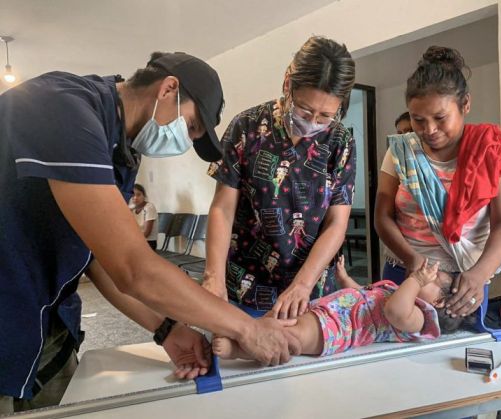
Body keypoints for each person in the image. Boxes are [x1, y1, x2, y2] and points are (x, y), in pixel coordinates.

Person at [0, 52, 299, 413]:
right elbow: (133, 267)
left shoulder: (122, 150)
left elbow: (101, 260)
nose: (184, 142)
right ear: (168, 88)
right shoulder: (63, 107)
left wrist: (167, 329)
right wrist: (247, 330)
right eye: (190, 127)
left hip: (47, 314)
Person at [202, 36, 357, 320]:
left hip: (312, 289)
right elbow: (222, 209)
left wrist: (303, 284)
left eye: (325, 116)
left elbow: (336, 223)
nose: (312, 122)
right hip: (246, 283)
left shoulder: (340, 141)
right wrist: (214, 278)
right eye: (305, 110)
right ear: (288, 82)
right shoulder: (246, 127)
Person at [374, 46, 501, 320]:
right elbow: (382, 216)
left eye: (440, 118)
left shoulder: (493, 149)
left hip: (467, 283)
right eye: (418, 120)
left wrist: (479, 275)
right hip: (405, 272)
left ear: (465, 104)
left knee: (458, 358)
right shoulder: (401, 152)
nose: (429, 130)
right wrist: (415, 263)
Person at [213, 257, 476, 360]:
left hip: (338, 330)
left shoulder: (420, 317)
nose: (423, 275)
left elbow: (393, 312)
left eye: (432, 279)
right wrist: (345, 279)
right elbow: (367, 293)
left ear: (439, 301)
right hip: (327, 310)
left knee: (292, 336)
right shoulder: (401, 292)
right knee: (281, 316)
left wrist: (417, 280)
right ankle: (248, 332)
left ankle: (241, 351)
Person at [130, 183, 159, 250]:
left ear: (144, 196)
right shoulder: (132, 209)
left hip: (148, 243)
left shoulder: (149, 207)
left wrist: (132, 241)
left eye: (138, 194)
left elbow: (146, 233)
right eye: (133, 195)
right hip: (138, 242)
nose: (135, 198)